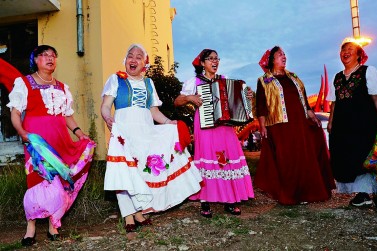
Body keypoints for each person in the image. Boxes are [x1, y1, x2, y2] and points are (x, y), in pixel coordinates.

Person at [100, 44, 202, 237]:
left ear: (144, 64)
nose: (134, 59)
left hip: (145, 131)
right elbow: (105, 106)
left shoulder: (149, 84)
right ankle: (128, 215)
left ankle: (140, 212)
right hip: (123, 130)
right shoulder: (116, 80)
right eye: (130, 55)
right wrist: (108, 118)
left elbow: (154, 111)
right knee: (125, 170)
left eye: (139, 57)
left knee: (140, 171)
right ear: (125, 60)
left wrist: (169, 122)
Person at [6, 45, 96, 246]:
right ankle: (30, 228)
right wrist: (23, 133)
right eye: (45, 55)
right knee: (36, 180)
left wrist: (80, 134)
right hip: (37, 142)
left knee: (57, 181)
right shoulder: (24, 83)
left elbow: (67, 116)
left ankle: (53, 225)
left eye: (53, 55)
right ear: (36, 60)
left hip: (60, 139)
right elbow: (15, 113)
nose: (50, 58)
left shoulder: (63, 87)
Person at [174, 49, 254, 218]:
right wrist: (190, 98)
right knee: (208, 157)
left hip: (225, 126)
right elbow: (177, 101)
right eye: (211, 59)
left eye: (217, 59)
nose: (215, 61)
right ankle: (205, 200)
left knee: (228, 159)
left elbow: (238, 98)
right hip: (204, 125)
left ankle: (230, 199)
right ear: (202, 63)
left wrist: (247, 95)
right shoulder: (194, 82)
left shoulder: (224, 80)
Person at [254, 46, 335, 205]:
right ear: (271, 60)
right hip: (279, 126)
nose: (284, 57)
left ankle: (307, 193)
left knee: (303, 156)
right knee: (286, 160)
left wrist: (311, 115)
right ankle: (289, 195)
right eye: (279, 55)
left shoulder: (293, 77)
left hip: (299, 123)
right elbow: (261, 105)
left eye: (284, 54)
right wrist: (262, 126)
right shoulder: (264, 80)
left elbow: (303, 99)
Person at [327, 37, 377, 212]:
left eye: (350, 49)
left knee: (367, 157)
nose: (345, 52)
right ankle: (362, 195)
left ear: (359, 54)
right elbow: (334, 102)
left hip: (365, 124)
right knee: (350, 158)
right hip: (343, 126)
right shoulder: (337, 78)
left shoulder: (368, 72)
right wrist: (331, 122)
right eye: (343, 49)